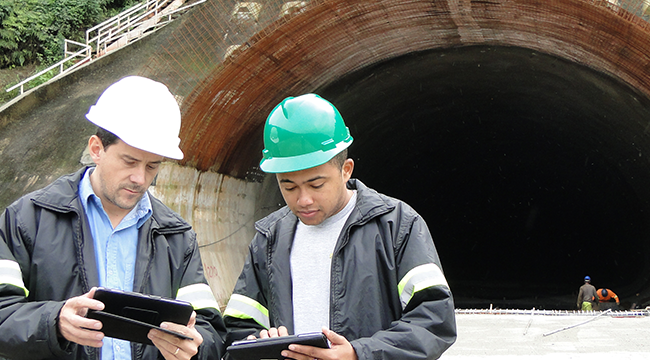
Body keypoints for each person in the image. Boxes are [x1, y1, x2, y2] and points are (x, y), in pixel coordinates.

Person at [0, 76, 227, 360]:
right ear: (96, 149)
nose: (140, 178)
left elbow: (211, 333)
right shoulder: (27, 219)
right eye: (129, 161)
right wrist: (54, 321)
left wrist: (196, 347)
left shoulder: (177, 236)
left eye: (152, 166)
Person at [223, 94, 456, 359]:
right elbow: (238, 328)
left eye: (316, 184)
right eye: (288, 186)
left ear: (346, 169)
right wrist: (260, 343)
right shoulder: (269, 239)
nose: (303, 199)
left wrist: (359, 353)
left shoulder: (397, 226)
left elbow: (434, 320)